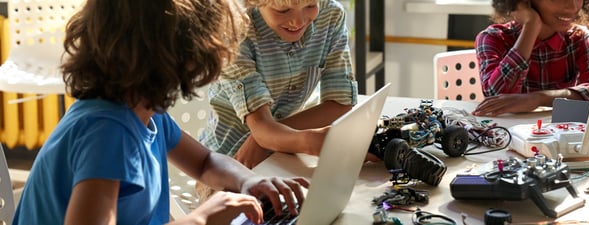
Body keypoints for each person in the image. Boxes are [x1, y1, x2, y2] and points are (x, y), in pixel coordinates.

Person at [12, 0, 309, 224]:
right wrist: (199, 219)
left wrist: (248, 181)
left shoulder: (145, 111)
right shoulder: (106, 133)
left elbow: (205, 162)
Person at [200, 0, 364, 169]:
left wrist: (263, 140)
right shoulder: (235, 32)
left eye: (310, 6)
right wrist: (307, 140)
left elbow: (339, 104)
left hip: (283, 154)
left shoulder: (331, 15)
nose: (298, 22)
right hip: (227, 160)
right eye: (283, 10)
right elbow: (261, 126)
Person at [472, 0, 589, 117]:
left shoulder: (580, 38)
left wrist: (538, 99)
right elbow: (495, 96)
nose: (572, 6)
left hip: (559, 134)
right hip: (508, 134)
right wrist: (531, 26)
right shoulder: (492, 37)